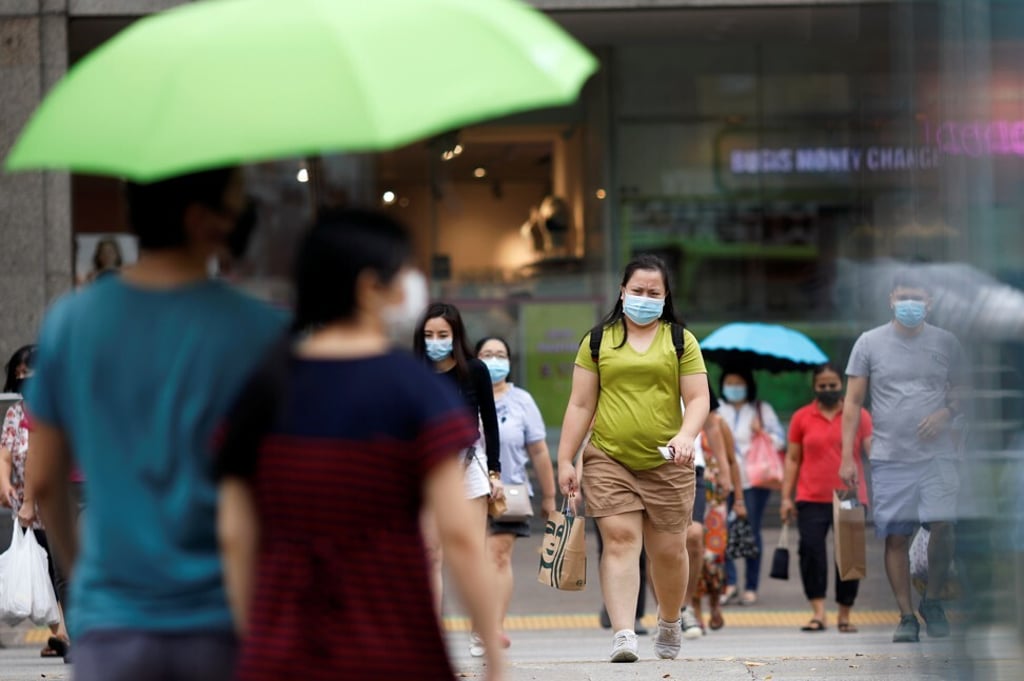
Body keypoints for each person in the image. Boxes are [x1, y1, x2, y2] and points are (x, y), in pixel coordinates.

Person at [216, 210, 505, 681]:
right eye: (403, 271)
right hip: (391, 649)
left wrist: (254, 639)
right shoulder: (414, 389)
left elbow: (234, 533)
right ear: (370, 287)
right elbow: (459, 537)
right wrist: (493, 657)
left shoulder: (262, 388)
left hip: (281, 652)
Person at [25, 167, 286, 681]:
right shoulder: (260, 329)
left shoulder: (71, 322)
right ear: (201, 219)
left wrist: (87, 584)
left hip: (112, 622)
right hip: (226, 619)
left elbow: (44, 479)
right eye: (234, 204)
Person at [556, 253, 710, 663]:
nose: (645, 298)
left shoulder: (680, 341)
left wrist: (686, 435)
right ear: (622, 292)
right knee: (621, 540)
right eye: (637, 290)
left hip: (668, 462)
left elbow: (698, 398)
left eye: (653, 292)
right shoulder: (597, 341)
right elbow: (580, 404)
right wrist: (565, 459)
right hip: (609, 458)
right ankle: (624, 633)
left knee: (669, 551)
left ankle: (670, 620)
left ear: (666, 296)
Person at [841, 272, 965, 643]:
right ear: (891, 299)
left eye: (918, 298)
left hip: (937, 456)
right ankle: (906, 615)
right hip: (890, 457)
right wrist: (847, 457)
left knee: (943, 525)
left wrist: (946, 413)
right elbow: (853, 402)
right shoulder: (869, 342)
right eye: (904, 297)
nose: (910, 304)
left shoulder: (947, 342)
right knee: (896, 536)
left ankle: (933, 600)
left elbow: (966, 389)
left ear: (930, 302)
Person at [414, 302, 504, 656]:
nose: (436, 341)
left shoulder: (475, 370)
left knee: (471, 551)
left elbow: (490, 423)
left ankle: (480, 631)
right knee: (430, 552)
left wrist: (494, 471)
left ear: (456, 335)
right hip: (426, 468)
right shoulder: (414, 370)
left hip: (468, 465)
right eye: (429, 335)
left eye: (443, 334)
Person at [475, 336, 556, 652]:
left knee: (497, 555)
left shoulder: (522, 400)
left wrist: (549, 496)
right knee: (476, 557)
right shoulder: (465, 394)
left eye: (500, 355)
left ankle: (492, 628)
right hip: (469, 489)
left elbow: (538, 451)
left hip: (510, 491)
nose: (494, 360)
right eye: (487, 354)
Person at [781, 363, 873, 633]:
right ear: (814, 387)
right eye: (822, 385)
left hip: (850, 494)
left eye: (833, 385)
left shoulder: (859, 415)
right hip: (810, 496)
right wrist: (786, 497)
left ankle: (845, 614)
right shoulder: (801, 417)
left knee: (849, 554)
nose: (828, 389)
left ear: (842, 385)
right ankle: (818, 612)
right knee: (811, 552)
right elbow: (793, 459)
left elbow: (872, 451)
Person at [0, 345, 71, 659]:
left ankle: (67, 633)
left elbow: (39, 456)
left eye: (30, 371)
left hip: (55, 499)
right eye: (20, 373)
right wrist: (5, 485)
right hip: (27, 503)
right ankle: (63, 632)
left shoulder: (53, 404)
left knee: (61, 568)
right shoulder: (15, 413)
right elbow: (5, 456)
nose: (25, 377)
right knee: (47, 570)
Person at [718, 367, 785, 606]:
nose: (734, 388)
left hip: (754, 481)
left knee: (751, 532)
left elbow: (780, 440)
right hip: (724, 480)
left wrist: (761, 432)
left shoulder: (760, 410)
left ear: (747, 385)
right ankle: (730, 582)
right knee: (721, 530)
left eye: (738, 383)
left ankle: (751, 586)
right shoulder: (718, 409)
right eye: (729, 382)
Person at [679, 384, 732, 639]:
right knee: (657, 544)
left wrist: (724, 470)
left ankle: (685, 606)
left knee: (694, 536)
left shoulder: (691, 365)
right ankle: (665, 613)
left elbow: (711, 424)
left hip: (692, 466)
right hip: (650, 464)